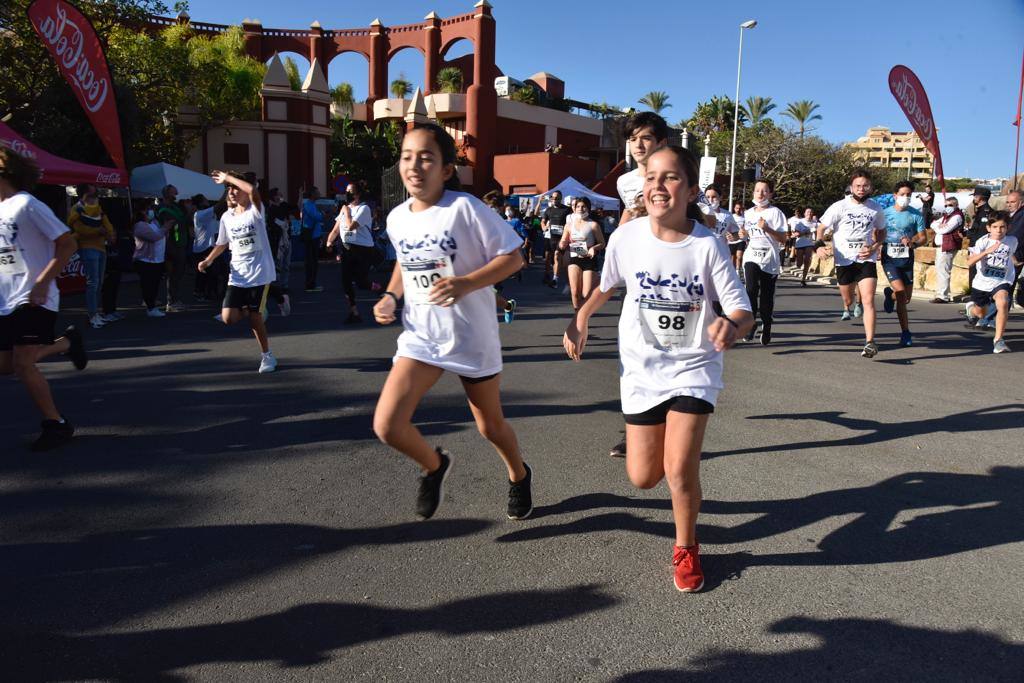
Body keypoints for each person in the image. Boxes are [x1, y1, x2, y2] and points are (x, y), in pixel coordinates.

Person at [563, 145, 753, 592]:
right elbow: (607, 285)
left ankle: (686, 547)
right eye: (651, 177)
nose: (657, 186)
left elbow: (743, 311)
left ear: (689, 191)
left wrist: (730, 325)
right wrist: (580, 317)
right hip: (642, 371)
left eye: (669, 178)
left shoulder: (706, 245)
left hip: (693, 368)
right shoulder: (626, 238)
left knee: (679, 468)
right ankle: (658, 444)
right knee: (642, 476)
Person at [371, 123, 532, 521]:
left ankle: (519, 474)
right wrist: (392, 295)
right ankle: (434, 465)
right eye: (407, 157)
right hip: (422, 337)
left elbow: (514, 257)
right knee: (388, 425)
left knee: (490, 426)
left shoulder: (464, 208)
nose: (415, 166)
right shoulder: (396, 218)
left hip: (470, 336)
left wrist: (465, 283)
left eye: (426, 158)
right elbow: (405, 263)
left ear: (445, 169)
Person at [0, 147, 88, 451]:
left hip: (34, 297)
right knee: (5, 365)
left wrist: (42, 283)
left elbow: (68, 243)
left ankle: (56, 424)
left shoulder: (27, 205)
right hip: (6, 300)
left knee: (24, 363)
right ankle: (67, 343)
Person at [198, 171, 278, 374]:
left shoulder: (256, 211)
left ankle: (267, 356)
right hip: (238, 275)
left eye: (235, 188)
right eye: (228, 189)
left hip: (260, 273)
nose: (231, 192)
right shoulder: (227, 217)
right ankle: (255, 309)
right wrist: (208, 260)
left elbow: (253, 190)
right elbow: (222, 243)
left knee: (254, 318)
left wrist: (228, 178)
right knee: (228, 318)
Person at [816, 169, 887, 358]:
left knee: (869, 300)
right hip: (844, 260)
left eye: (865, 186)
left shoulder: (875, 208)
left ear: (870, 186)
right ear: (851, 187)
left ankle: (870, 342)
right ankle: (851, 303)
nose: (861, 189)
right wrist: (818, 245)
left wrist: (875, 247)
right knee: (847, 299)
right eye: (857, 186)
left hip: (866, 259)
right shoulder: (839, 206)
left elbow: (881, 231)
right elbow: (821, 227)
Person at [738, 179, 787, 345]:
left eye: (764, 190)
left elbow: (783, 239)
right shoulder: (749, 213)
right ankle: (751, 323)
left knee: (766, 299)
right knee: (750, 290)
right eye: (757, 190)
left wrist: (767, 228)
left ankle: (767, 325)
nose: (760, 193)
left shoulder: (776, 213)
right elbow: (747, 235)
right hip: (752, 255)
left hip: (769, 258)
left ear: (770, 194)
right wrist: (743, 235)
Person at [964, 211, 1019, 353]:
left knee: (1003, 302)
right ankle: (971, 309)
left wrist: (1015, 262)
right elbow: (969, 262)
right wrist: (986, 252)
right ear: (989, 228)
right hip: (982, 283)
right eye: (995, 227)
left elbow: (1009, 253)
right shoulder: (982, 242)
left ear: (1007, 228)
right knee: (980, 314)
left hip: (1002, 280)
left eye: (1002, 227)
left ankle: (998, 340)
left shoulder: (1012, 241)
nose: (999, 230)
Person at [880, 180, 927, 347]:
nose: (906, 197)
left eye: (909, 195)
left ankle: (889, 295)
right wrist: (875, 246)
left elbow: (923, 237)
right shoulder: (884, 213)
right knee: (900, 292)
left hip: (907, 259)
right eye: (902, 194)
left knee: (905, 298)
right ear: (895, 196)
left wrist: (913, 242)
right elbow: (875, 233)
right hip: (889, 259)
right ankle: (905, 332)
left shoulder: (916, 215)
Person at [67, 184, 115, 329]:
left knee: (99, 283)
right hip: (88, 248)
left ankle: (95, 313)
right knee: (92, 283)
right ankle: (92, 315)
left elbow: (107, 223)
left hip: (101, 247)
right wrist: (100, 231)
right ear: (85, 194)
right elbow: (80, 230)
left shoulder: (97, 207)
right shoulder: (77, 209)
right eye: (92, 191)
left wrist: (109, 233)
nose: (96, 193)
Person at [326, 182, 375, 324]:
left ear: (357, 195)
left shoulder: (363, 209)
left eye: (350, 192)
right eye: (346, 191)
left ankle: (378, 287)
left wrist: (346, 212)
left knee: (361, 282)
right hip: (348, 248)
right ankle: (354, 312)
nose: (347, 194)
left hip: (363, 250)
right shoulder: (344, 209)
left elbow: (350, 226)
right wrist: (329, 242)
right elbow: (336, 229)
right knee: (346, 282)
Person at [558, 197, 605, 311]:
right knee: (574, 291)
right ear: (574, 208)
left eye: (583, 206)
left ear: (588, 208)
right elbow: (562, 242)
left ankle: (585, 315)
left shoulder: (593, 225)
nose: (580, 209)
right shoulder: (569, 225)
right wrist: (562, 244)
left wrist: (594, 248)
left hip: (589, 259)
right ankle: (578, 317)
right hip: (574, 258)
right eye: (578, 206)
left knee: (586, 293)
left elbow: (602, 243)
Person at [156, 184, 189, 312]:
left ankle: (174, 299)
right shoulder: (162, 208)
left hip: (181, 243)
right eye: (174, 193)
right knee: (173, 273)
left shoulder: (176, 207)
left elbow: (184, 220)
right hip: (171, 244)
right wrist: (185, 214)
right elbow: (171, 221)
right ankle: (172, 301)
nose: (176, 195)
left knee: (178, 273)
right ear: (167, 194)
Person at [133, 204, 169, 318]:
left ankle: (151, 303)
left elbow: (162, 235)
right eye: (147, 210)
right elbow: (155, 236)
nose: (150, 211)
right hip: (146, 260)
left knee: (155, 284)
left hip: (157, 259)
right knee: (149, 284)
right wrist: (166, 227)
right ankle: (150, 308)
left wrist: (164, 229)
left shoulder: (153, 223)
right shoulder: (140, 225)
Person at [929, 195, 964, 304]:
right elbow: (932, 224)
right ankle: (940, 293)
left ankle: (943, 296)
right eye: (946, 205)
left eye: (950, 205)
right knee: (940, 270)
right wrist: (938, 226)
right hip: (942, 246)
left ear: (956, 205)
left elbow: (945, 230)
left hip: (948, 246)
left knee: (944, 270)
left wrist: (939, 227)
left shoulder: (957, 216)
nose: (947, 207)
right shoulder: (946, 216)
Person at [191, 194, 219, 302]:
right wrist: (227, 190)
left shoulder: (209, 215)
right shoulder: (201, 214)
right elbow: (219, 206)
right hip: (202, 248)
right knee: (204, 272)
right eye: (205, 200)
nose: (208, 201)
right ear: (201, 203)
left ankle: (209, 293)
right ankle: (200, 293)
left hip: (210, 246)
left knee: (211, 272)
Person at [541, 190, 571, 288]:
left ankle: (555, 280)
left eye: (557, 198)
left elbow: (572, 221)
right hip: (552, 238)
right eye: (553, 198)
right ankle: (562, 280)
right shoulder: (548, 210)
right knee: (556, 259)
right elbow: (543, 221)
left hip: (563, 238)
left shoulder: (567, 209)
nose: (554, 200)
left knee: (558, 256)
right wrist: (544, 227)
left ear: (560, 199)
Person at [300, 187, 323, 292]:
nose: (319, 193)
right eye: (317, 192)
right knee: (311, 261)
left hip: (314, 236)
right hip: (311, 237)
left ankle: (312, 284)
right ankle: (309, 285)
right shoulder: (309, 204)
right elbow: (317, 217)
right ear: (312, 194)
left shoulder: (311, 204)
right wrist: (323, 214)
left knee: (313, 261)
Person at [792, 208, 817, 285]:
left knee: (807, 261)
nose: (809, 213)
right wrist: (805, 232)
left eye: (811, 212)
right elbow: (796, 234)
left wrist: (816, 241)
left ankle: (803, 279)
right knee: (799, 263)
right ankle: (798, 263)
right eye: (808, 212)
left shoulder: (815, 223)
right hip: (800, 244)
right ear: (804, 214)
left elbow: (817, 233)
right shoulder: (800, 222)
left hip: (809, 243)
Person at [729, 202, 746, 274]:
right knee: (732, 258)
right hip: (732, 240)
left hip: (741, 240)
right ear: (734, 209)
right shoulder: (731, 216)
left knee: (739, 256)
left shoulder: (745, 217)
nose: (738, 210)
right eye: (737, 208)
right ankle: (733, 272)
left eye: (740, 208)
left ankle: (738, 271)